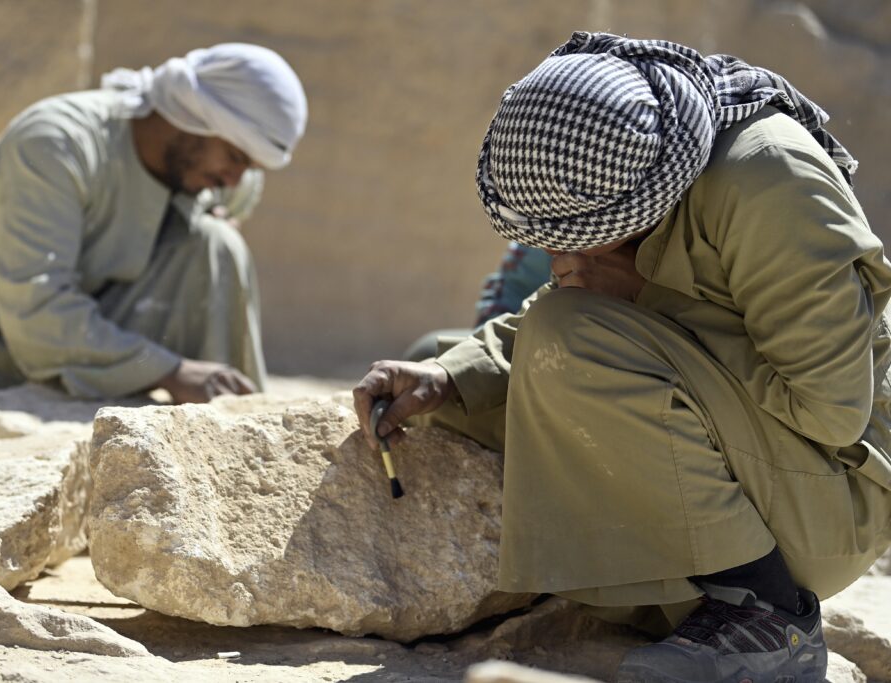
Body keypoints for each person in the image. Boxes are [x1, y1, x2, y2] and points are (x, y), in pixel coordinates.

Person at [353, 32, 891, 682]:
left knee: (570, 340)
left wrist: (643, 295)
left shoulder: (769, 179)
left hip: (831, 496)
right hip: (754, 466)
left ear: (648, 198)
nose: (557, 263)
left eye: (578, 241)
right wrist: (445, 377)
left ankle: (769, 615)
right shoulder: (638, 184)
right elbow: (579, 313)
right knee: (502, 381)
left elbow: (829, 412)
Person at [0, 44, 307, 447]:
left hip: (93, 338)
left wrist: (215, 220)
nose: (235, 179)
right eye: (235, 156)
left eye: (248, 166)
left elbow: (239, 198)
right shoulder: (56, 142)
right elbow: (37, 312)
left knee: (218, 246)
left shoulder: (209, 166)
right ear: (192, 116)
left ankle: (234, 437)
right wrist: (168, 370)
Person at [401, 242, 552, 362]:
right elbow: (510, 288)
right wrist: (488, 341)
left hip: (557, 348)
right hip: (518, 337)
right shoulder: (542, 223)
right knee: (427, 353)